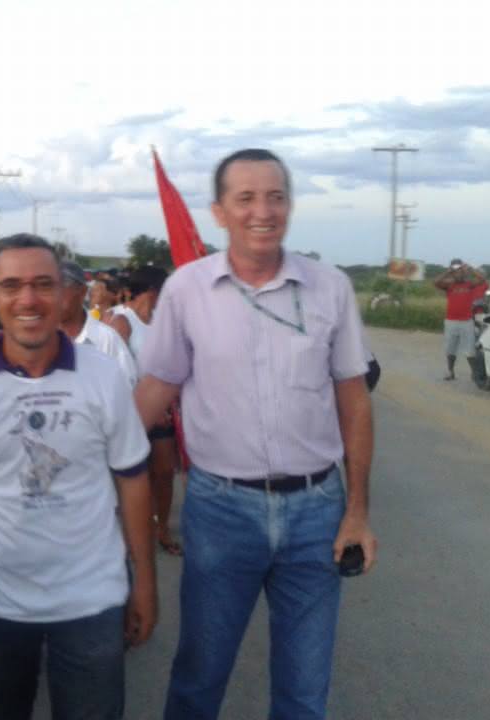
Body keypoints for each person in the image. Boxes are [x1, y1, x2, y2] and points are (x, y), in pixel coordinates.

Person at [135, 148, 377, 720]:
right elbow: (156, 389)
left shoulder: (330, 287)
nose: (262, 212)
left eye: (275, 197)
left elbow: (353, 401)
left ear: (289, 206)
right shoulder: (187, 289)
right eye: (245, 198)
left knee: (304, 690)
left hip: (317, 511)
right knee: (200, 677)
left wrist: (357, 511)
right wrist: (94, 467)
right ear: (219, 212)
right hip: (221, 510)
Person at [0, 234, 156, 720]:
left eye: (43, 284)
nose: (28, 299)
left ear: (64, 292)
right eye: (11, 285)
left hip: (93, 598)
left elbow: (133, 478)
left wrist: (146, 580)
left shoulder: (103, 375)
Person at [109, 265, 181, 555]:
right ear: (153, 291)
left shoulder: (163, 321)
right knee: (134, 475)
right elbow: (115, 372)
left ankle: (161, 527)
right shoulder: (121, 322)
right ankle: (135, 531)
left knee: (164, 472)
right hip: (131, 412)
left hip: (163, 410)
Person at [58, 260, 137, 387]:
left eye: (60, 289)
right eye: (47, 289)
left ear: (82, 292)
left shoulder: (106, 339)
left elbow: (127, 386)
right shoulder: (39, 339)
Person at [434, 259, 489, 381]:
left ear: (463, 271)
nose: (458, 273)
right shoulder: (449, 285)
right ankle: (451, 372)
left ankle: (475, 374)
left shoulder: (469, 284)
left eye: (460, 270)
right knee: (450, 349)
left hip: (466, 321)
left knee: (470, 350)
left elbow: (482, 279)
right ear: (452, 272)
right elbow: (436, 282)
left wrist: (470, 268)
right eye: (455, 271)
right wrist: (448, 272)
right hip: (451, 321)